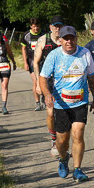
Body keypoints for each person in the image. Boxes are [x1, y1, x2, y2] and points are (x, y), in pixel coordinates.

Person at [39, 25, 94, 183]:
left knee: (78, 134)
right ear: (60, 40)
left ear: (76, 38)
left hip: (80, 102)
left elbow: (92, 76)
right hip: (61, 105)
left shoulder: (84, 53)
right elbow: (43, 77)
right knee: (62, 141)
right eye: (65, 39)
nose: (69, 41)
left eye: (72, 38)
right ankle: (63, 158)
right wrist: (47, 95)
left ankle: (78, 169)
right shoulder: (54, 55)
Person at [33, 16, 65, 156]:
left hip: (64, 81)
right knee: (51, 113)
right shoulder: (43, 40)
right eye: (55, 26)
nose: (57, 29)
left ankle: (63, 139)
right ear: (50, 26)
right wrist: (39, 84)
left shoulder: (67, 39)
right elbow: (35, 63)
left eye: (60, 26)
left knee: (63, 113)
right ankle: (53, 139)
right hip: (48, 81)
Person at [22, 18, 44, 111]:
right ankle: (37, 103)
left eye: (37, 26)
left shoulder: (43, 35)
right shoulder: (26, 35)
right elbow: (23, 49)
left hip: (43, 61)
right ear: (31, 26)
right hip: (31, 61)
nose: (36, 28)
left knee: (43, 81)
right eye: (34, 26)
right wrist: (25, 62)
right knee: (35, 81)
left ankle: (44, 98)